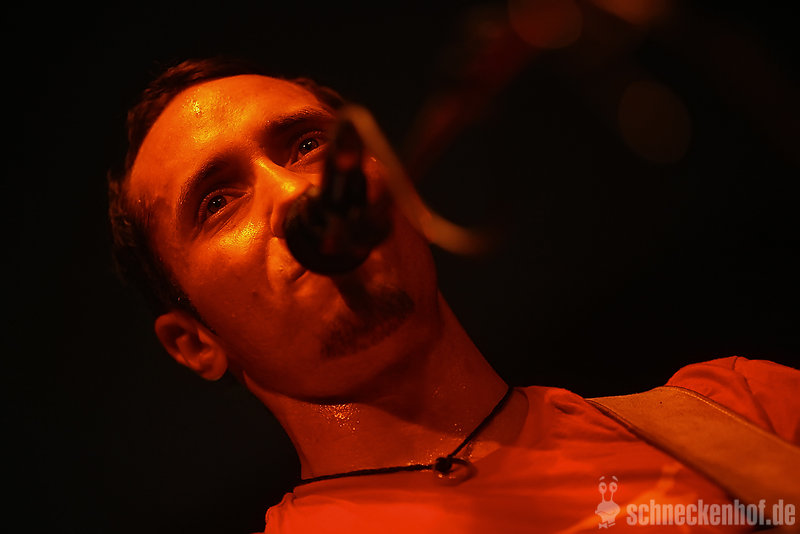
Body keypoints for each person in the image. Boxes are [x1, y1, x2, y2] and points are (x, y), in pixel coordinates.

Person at [109, 57, 800, 533]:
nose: (296, 192)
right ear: (194, 344)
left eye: (308, 145)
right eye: (218, 201)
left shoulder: (745, 412)